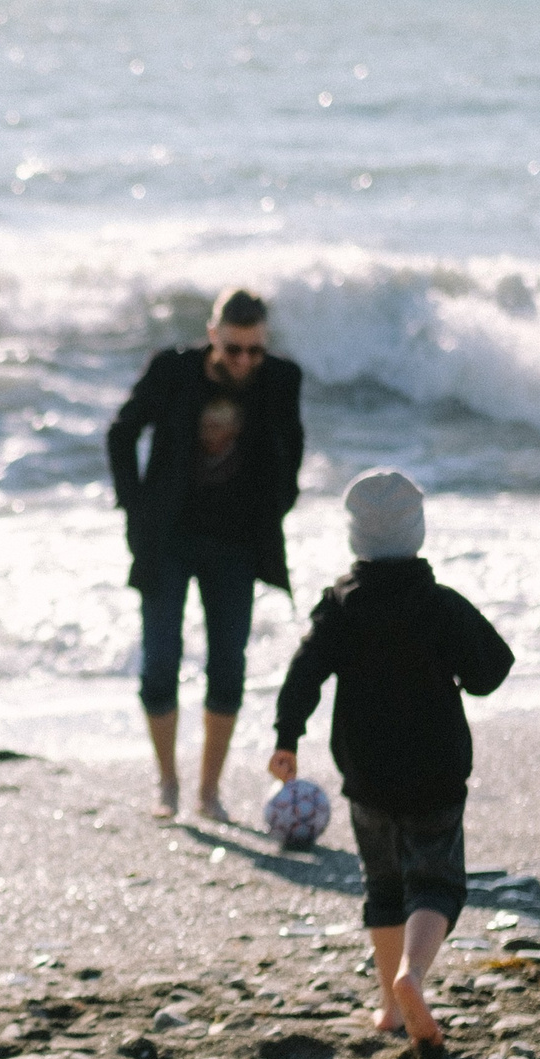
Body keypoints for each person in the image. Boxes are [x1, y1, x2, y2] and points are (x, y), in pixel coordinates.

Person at [268, 469, 513, 1059]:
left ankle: (386, 1003)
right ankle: (413, 976)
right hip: (436, 764)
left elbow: (303, 674)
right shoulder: (440, 604)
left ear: (355, 538)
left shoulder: (340, 606)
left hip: (366, 768)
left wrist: (287, 737)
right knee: (435, 881)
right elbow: (492, 668)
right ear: (419, 532)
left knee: (382, 885)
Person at [106, 288, 305, 822]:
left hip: (235, 544)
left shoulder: (281, 380)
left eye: (254, 350)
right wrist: (135, 506)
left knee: (227, 668)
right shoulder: (172, 370)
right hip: (167, 539)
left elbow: (292, 452)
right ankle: (168, 782)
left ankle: (209, 792)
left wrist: (278, 506)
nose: (244, 361)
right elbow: (121, 432)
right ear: (213, 335)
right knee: (159, 664)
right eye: (234, 349)